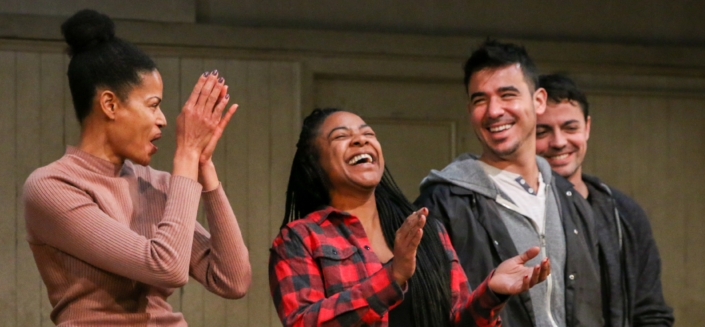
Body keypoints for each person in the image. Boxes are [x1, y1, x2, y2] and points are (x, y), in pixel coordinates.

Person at [22, 9, 251, 326]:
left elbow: (232, 280)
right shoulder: (52, 186)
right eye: (153, 105)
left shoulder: (153, 183)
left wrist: (204, 168)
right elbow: (165, 266)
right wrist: (185, 154)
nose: (162, 120)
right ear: (110, 105)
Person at [269, 108, 552, 327]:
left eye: (368, 134)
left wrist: (491, 292)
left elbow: (456, 320)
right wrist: (392, 277)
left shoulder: (426, 230)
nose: (360, 140)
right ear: (315, 163)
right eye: (341, 137)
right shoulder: (299, 239)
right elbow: (302, 322)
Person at [415, 40, 603, 327]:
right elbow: (426, 313)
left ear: (538, 100)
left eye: (507, 95)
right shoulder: (443, 203)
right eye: (480, 100)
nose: (493, 111)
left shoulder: (570, 199)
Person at [535, 73, 675, 326]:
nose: (558, 142)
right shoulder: (518, 209)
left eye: (570, 128)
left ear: (587, 127)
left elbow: (651, 312)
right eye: (542, 131)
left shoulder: (624, 213)